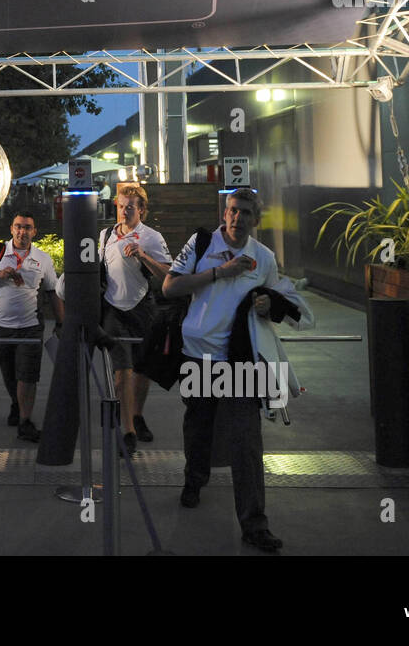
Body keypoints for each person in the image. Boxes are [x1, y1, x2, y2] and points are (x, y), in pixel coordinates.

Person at [162, 187, 284, 553]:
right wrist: (221, 272)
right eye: (232, 210)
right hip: (198, 354)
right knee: (199, 426)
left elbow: (280, 304)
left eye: (245, 212)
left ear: (255, 219)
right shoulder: (202, 243)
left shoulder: (264, 258)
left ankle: (254, 524)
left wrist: (267, 305)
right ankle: (194, 479)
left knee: (246, 441)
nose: (237, 217)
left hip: (242, 360)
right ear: (224, 212)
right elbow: (170, 287)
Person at [0, 211, 64, 442]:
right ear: (11, 229)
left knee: (28, 375)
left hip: (30, 326)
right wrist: (0, 273)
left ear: (34, 232)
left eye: (27, 228)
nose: (22, 232)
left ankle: (25, 421)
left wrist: (62, 322)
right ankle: (16, 403)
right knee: (9, 372)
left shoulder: (43, 258)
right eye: (18, 227)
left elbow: (52, 292)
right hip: (0, 325)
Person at [98, 183, 171, 455]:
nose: (124, 211)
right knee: (122, 372)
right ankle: (127, 430)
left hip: (142, 308)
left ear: (141, 210)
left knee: (142, 371)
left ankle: (137, 416)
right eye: (120, 206)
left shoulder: (151, 237)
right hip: (113, 310)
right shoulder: (105, 235)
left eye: (130, 207)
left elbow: (168, 275)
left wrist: (142, 254)